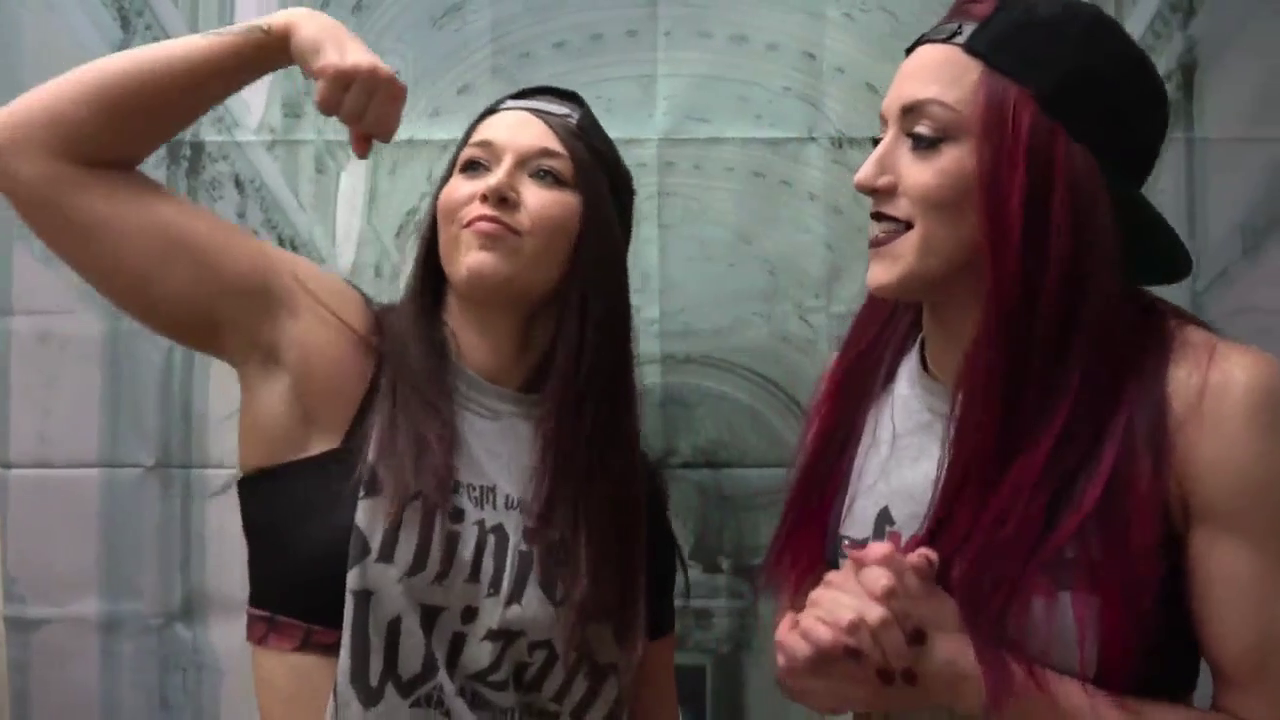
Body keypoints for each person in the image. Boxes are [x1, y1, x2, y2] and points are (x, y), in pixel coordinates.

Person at [0, 7, 682, 719]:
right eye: (474, 164)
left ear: (597, 239)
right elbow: (30, 149)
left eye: (545, 173)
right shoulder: (339, 359)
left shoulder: (621, 492)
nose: (496, 186)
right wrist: (284, 35)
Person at [764, 0, 1280, 717]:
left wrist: (973, 680)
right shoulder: (855, 383)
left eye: (922, 139)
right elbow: (813, 626)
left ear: (1042, 178)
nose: (867, 174)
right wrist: (817, 655)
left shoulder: (1209, 401)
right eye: (881, 134)